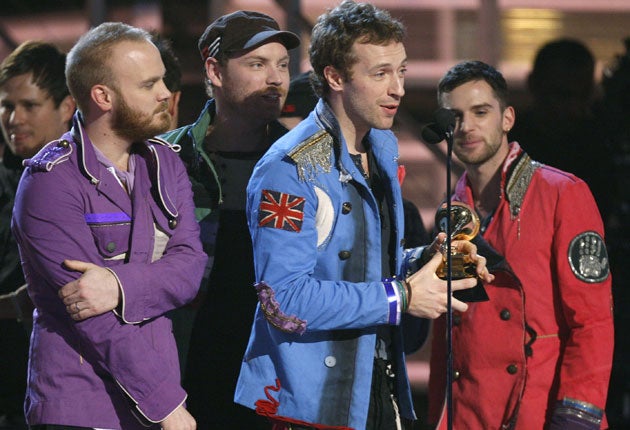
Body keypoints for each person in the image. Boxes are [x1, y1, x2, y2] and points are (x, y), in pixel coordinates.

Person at [234, 2, 492, 429]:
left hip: (375, 382)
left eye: (402, 71)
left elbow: (361, 266)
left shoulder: (382, 147)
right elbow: (282, 300)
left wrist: (430, 260)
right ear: (335, 77)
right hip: (309, 401)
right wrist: (403, 297)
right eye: (380, 74)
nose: (398, 89)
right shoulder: (289, 168)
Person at [11, 22, 207, 429]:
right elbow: (90, 315)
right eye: (149, 84)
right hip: (81, 405)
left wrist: (118, 286)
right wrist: (168, 406)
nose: (166, 94)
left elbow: (190, 268)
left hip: (154, 396)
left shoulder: (165, 162)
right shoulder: (50, 181)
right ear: (103, 96)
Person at [427, 60, 614, 429]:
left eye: (481, 112)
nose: (466, 127)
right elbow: (451, 334)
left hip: (539, 412)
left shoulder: (563, 193)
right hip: (469, 414)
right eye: (454, 117)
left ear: (507, 118)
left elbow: (592, 322)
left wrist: (576, 416)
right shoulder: (454, 212)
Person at [159, 10, 301, 429]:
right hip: (186, 370)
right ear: (215, 71)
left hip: (272, 376)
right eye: (257, 65)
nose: (275, 78)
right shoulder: (167, 159)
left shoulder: (303, 163)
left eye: (282, 65)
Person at [0, 40, 76, 430]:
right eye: (7, 106)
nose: (14, 119)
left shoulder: (93, 184)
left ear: (67, 107)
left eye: (29, 106)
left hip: (66, 394)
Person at [508, 38, 615, 224]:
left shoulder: (604, 144)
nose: (571, 106)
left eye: (580, 95)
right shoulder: (604, 142)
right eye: (561, 94)